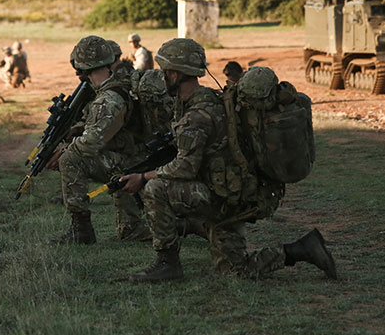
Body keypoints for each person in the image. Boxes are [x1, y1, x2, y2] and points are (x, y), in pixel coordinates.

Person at [119, 38, 337, 282]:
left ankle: (167, 264)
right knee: (235, 270)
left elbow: (185, 167)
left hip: (223, 197)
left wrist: (142, 177)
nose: (162, 77)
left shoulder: (196, 115)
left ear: (175, 73)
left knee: (156, 188)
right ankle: (303, 249)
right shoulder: (209, 98)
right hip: (234, 191)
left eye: (164, 72)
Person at [51, 35, 150, 244]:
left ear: (83, 68)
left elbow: (91, 144)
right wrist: (77, 130)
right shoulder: (116, 85)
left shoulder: (109, 98)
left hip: (134, 161)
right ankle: (136, 226)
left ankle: (81, 230)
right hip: (134, 155)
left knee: (70, 159)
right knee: (130, 233)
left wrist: (64, 151)